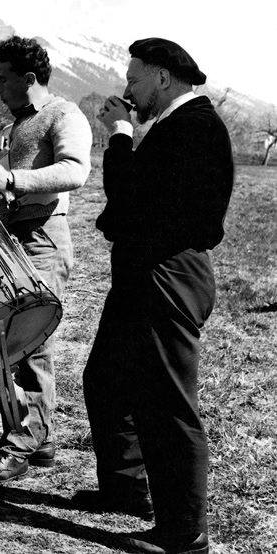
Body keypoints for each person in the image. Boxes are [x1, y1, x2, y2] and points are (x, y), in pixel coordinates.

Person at [78, 38, 234, 554]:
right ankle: (126, 492)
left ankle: (185, 533)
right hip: (146, 271)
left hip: (166, 274)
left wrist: (119, 135)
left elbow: (131, 199)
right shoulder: (177, 126)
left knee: (167, 404)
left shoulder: (195, 128)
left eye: (134, 78)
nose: (127, 89)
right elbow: (135, 205)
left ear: (163, 78)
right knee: (106, 379)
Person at [0, 35, 92, 482]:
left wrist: (13, 177)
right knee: (11, 339)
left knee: (31, 337)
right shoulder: (14, 126)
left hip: (44, 237)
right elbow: (8, 186)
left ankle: (21, 444)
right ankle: (39, 440)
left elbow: (75, 170)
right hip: (13, 238)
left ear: (29, 78)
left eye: (4, 79)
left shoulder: (63, 114)